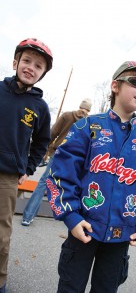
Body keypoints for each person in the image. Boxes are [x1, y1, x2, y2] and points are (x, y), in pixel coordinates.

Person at [46, 60, 136, 293]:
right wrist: (71, 216)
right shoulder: (87, 127)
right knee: (70, 287)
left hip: (121, 237)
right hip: (83, 229)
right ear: (115, 86)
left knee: (106, 288)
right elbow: (60, 174)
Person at [0, 38, 53, 292]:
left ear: (42, 74)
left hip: (8, 177)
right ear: (15, 62)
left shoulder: (40, 107)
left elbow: (42, 142)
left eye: (38, 66)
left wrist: (28, 168)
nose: (31, 67)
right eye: (27, 60)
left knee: (1, 236)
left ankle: (0, 280)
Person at [21, 98, 92, 226]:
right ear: (89, 110)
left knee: (43, 183)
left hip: (59, 153)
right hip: (77, 158)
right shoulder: (88, 122)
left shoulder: (67, 115)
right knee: (74, 185)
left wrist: (45, 151)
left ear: (80, 106)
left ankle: (28, 216)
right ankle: (75, 219)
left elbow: (52, 133)